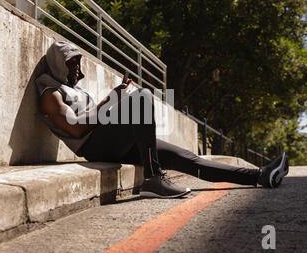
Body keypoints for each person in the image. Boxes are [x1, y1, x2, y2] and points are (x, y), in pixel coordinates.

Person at [35, 41, 289, 199]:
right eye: (71, 64)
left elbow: (97, 117)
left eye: (78, 64)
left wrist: (113, 100)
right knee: (142, 97)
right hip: (93, 147)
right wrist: (109, 102)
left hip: (112, 141)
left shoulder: (75, 89)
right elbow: (76, 129)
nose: (77, 70)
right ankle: (152, 178)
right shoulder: (50, 92)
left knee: (189, 159)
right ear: (58, 63)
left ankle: (259, 176)